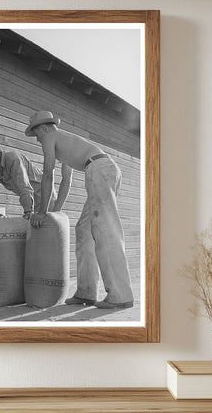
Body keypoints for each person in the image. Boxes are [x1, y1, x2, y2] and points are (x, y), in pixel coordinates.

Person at [25, 110, 133, 309]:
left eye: (36, 133)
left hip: (99, 169)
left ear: (44, 127)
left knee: (105, 230)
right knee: (83, 230)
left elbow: (47, 175)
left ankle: (120, 295)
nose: (37, 139)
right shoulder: (63, 142)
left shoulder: (50, 137)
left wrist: (41, 212)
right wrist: (54, 210)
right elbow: (66, 180)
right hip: (100, 169)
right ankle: (86, 292)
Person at [0, 141, 56, 221]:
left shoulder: (13, 158)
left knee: (45, 231)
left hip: (46, 198)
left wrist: (28, 211)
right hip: (32, 201)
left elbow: (24, 186)